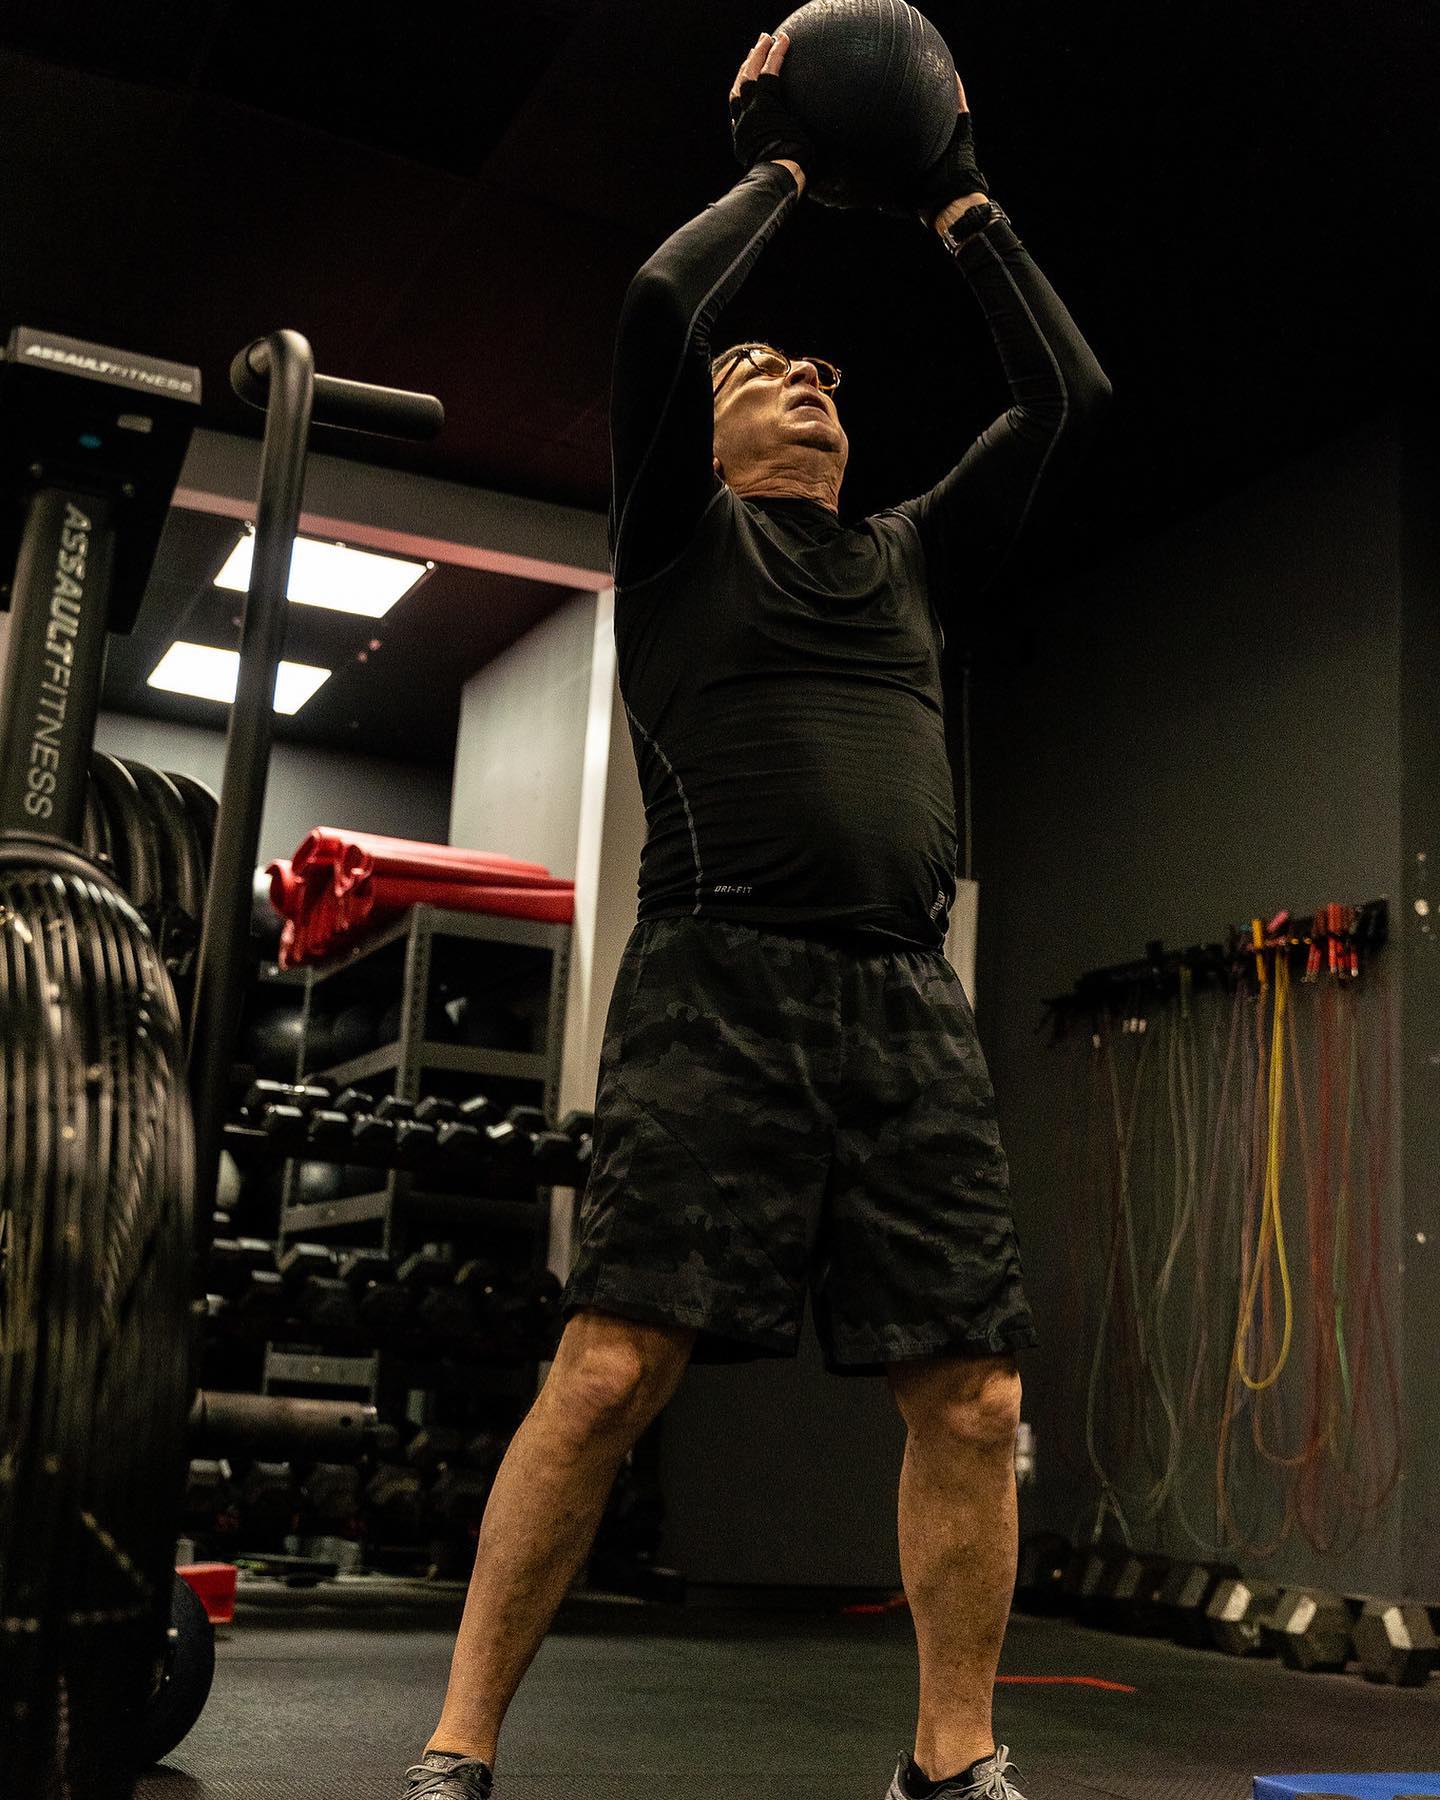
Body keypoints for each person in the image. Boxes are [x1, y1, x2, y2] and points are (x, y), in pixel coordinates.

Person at [405, 28, 1112, 1800]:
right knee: (609, 1370)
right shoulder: (672, 544)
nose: (800, 372)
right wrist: (791, 156)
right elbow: (663, 302)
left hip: (906, 1004)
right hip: (714, 982)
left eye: (820, 371)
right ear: (705, 437)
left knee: (975, 1399)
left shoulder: (912, 556)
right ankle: (456, 1751)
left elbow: (1067, 397)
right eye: (763, 366)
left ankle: (953, 1765)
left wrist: (956, 198)